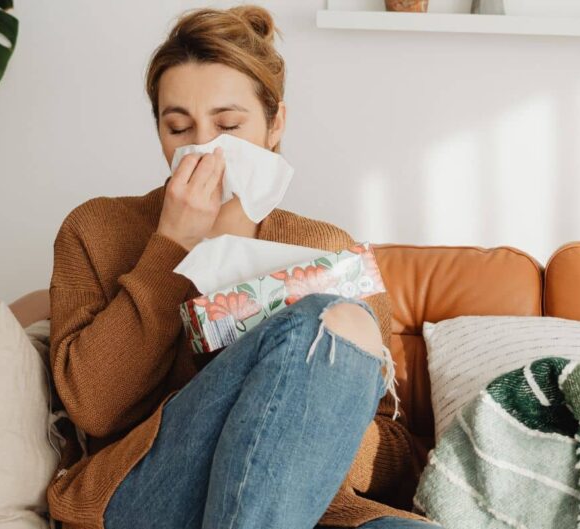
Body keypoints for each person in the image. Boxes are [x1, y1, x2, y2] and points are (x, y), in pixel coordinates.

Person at [46, 6, 441, 529]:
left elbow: (393, 448)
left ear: (275, 124)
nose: (204, 146)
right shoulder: (95, 229)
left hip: (301, 503)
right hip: (145, 494)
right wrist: (172, 244)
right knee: (329, 320)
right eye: (179, 126)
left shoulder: (327, 251)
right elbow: (94, 409)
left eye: (229, 124)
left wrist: (297, 407)